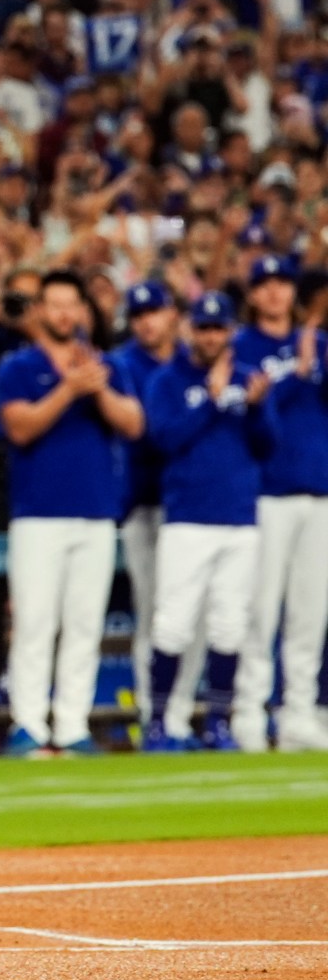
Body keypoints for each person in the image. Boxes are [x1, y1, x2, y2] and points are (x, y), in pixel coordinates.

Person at [0, 270, 144, 756]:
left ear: (83, 310)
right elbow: (19, 428)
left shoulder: (106, 366)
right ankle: (28, 724)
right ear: (38, 311)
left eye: (70, 305)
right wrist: (69, 390)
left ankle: (73, 724)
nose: (62, 314)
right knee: (35, 621)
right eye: (52, 304)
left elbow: (133, 423)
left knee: (84, 623)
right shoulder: (19, 366)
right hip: (38, 513)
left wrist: (95, 387)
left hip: (96, 511)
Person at [141, 292, 272, 752]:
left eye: (219, 328)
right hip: (188, 517)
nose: (211, 336)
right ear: (189, 330)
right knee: (173, 623)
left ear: (230, 332)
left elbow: (267, 444)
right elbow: (164, 439)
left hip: (238, 515)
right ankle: (157, 723)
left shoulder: (246, 377)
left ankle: (218, 722)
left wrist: (255, 407)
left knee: (229, 626)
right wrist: (212, 402)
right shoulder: (167, 380)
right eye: (204, 328)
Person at [231, 255, 328, 751]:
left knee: (310, 614)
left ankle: (300, 712)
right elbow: (249, 413)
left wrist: (317, 365)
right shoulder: (241, 346)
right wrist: (297, 374)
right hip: (267, 493)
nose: (274, 293)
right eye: (264, 284)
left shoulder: (320, 343)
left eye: (282, 284)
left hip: (320, 492)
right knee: (261, 610)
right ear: (251, 294)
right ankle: (250, 713)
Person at [109, 282, 182, 738]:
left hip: (191, 504)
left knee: (192, 616)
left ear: (171, 314)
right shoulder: (123, 364)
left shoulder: (191, 360)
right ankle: (152, 714)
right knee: (154, 614)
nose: (147, 322)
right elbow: (144, 430)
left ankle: (181, 710)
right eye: (138, 315)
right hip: (142, 503)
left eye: (154, 312)